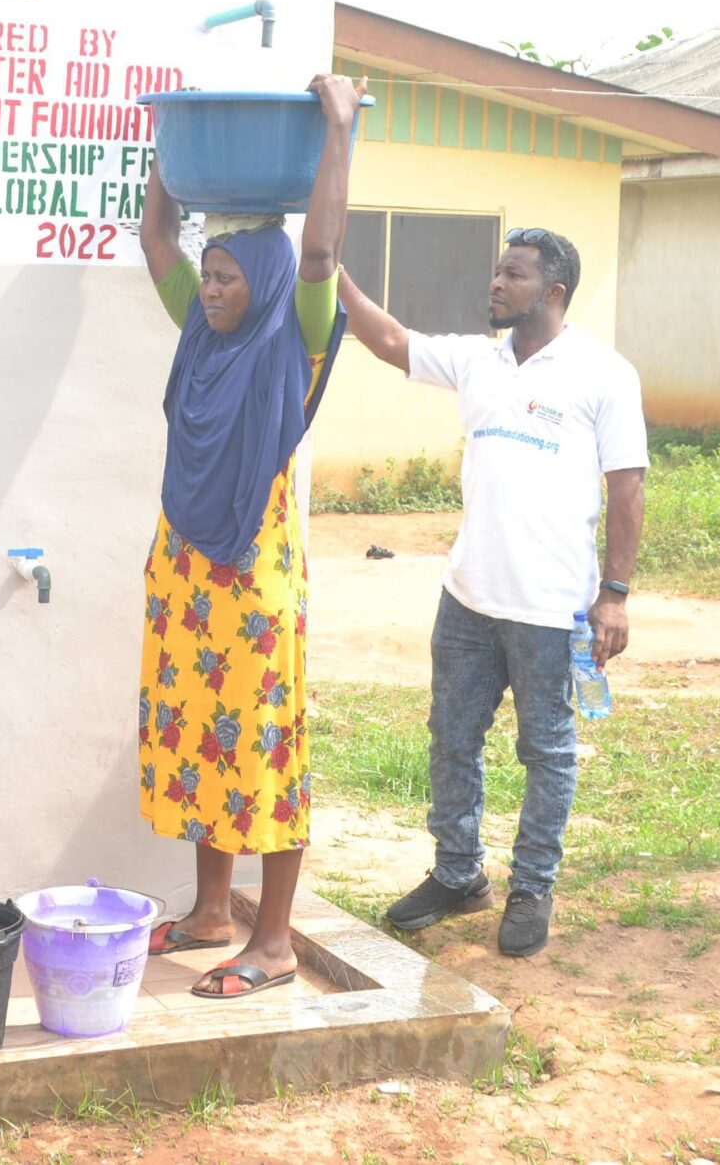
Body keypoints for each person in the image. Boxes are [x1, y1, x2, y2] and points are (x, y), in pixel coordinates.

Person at [340, 226, 647, 958]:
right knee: (451, 738)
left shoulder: (604, 373)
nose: (497, 283)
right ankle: (458, 873)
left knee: (547, 751)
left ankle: (532, 885)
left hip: (551, 609)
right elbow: (388, 339)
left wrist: (614, 594)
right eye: (498, 272)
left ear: (554, 291)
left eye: (514, 274)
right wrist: (327, 268)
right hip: (468, 597)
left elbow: (628, 486)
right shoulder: (479, 359)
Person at [134, 74, 357, 999]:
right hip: (186, 569)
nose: (215, 288)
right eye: (212, 273)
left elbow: (321, 251)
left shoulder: (292, 335)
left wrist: (337, 129)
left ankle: (273, 942)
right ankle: (211, 912)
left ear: (261, 280)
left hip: (253, 576)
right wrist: (167, 140)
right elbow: (156, 237)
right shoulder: (203, 328)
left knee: (263, 747)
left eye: (228, 276)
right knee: (201, 737)